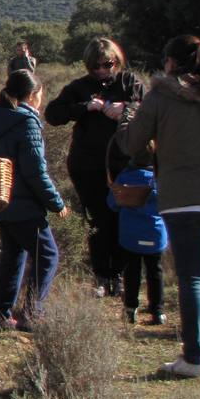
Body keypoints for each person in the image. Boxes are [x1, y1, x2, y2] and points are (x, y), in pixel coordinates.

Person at [117, 35, 200, 378]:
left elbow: (133, 144)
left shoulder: (160, 97)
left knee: (191, 278)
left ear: (173, 62)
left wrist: (126, 119)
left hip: (182, 198)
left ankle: (193, 358)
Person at [45, 38, 144, 297]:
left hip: (125, 165)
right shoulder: (79, 87)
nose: (101, 70)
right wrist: (84, 107)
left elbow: (151, 110)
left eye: (107, 64)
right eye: (95, 66)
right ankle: (101, 276)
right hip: (87, 165)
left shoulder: (129, 82)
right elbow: (53, 114)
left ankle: (119, 275)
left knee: (124, 218)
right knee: (98, 220)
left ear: (117, 61)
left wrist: (126, 109)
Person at [0, 70, 70, 330]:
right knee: (47, 255)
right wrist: (57, 203)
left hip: (2, 201)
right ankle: (32, 314)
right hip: (24, 205)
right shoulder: (27, 122)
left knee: (13, 255)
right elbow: (35, 171)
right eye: (40, 96)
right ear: (33, 96)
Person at [106, 142, 166, 326]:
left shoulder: (125, 177)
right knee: (155, 271)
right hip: (155, 235)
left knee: (132, 270)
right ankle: (158, 311)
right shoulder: (160, 179)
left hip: (130, 235)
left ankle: (130, 309)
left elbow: (112, 203)